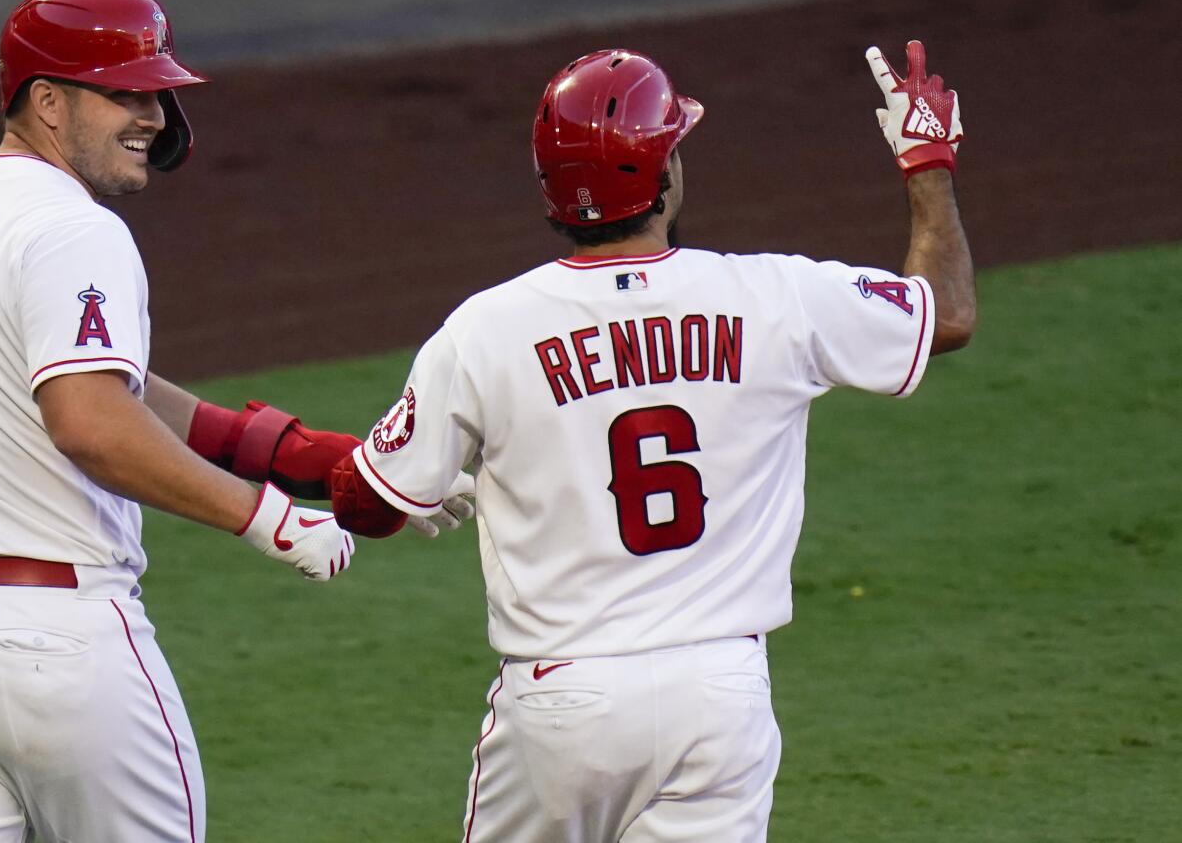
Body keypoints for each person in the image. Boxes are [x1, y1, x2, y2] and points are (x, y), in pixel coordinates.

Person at [0, 0, 468, 843]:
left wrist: (295, 455)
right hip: (52, 646)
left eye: (156, 92)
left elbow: (97, 385)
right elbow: (90, 420)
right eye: (125, 93)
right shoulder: (73, 227)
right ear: (49, 101)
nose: (154, 117)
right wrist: (269, 519)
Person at [328, 42, 976, 842]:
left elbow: (368, 505)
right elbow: (945, 313)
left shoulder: (484, 329)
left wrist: (341, 468)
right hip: (721, 696)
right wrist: (927, 161)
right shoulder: (775, 295)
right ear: (662, 173)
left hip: (562, 699)